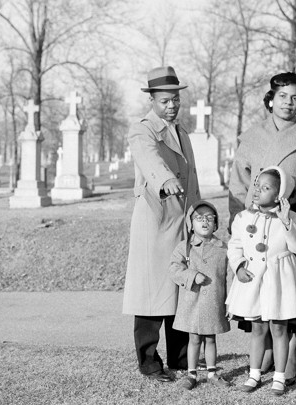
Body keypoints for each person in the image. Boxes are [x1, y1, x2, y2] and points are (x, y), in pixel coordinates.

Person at [228, 72, 296, 385]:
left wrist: (288, 185)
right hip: (253, 223)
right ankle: (263, 358)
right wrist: (238, 218)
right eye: (283, 95)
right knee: (259, 292)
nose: (289, 102)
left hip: (290, 221)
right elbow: (238, 180)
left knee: (290, 290)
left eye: (295, 97)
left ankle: (288, 355)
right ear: (270, 99)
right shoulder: (250, 136)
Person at [122, 66, 201, 383]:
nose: (172, 105)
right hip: (156, 220)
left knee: (182, 290)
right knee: (152, 294)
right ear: (152, 100)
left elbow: (192, 178)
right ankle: (149, 361)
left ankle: (181, 358)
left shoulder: (181, 132)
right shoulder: (142, 130)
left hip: (183, 221)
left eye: (176, 100)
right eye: (166, 100)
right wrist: (165, 180)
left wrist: (199, 212)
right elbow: (149, 159)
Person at [169, 200, 231, 390]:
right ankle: (192, 374)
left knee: (211, 338)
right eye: (199, 218)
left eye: (209, 218)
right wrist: (192, 275)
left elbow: (230, 275)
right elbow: (173, 268)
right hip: (192, 303)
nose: (204, 222)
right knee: (194, 339)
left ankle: (212, 373)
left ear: (216, 223)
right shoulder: (184, 247)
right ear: (191, 223)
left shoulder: (223, 248)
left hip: (213, 301)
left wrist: (230, 302)